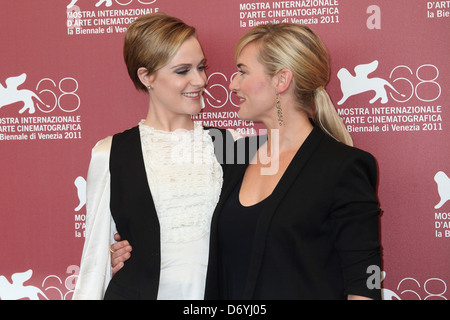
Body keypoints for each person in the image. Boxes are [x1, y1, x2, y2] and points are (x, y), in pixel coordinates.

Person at [112, 23, 382, 300]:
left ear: (281, 80)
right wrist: (131, 254)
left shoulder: (343, 167)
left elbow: (365, 283)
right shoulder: (234, 156)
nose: (232, 84)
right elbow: (189, 227)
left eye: (242, 72)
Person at [73, 12, 237, 300]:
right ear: (146, 76)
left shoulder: (228, 142)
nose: (200, 80)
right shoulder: (110, 152)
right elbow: (94, 260)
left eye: (201, 67)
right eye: (182, 70)